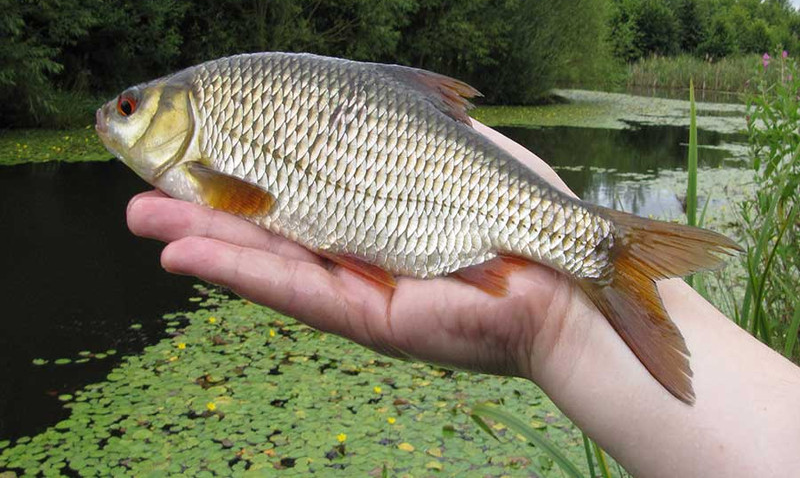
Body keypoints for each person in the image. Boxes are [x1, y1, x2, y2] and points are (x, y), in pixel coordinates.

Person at [126, 121, 800, 477]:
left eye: (129, 110)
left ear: (175, 114)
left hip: (429, 191)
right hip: (391, 206)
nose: (115, 120)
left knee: (588, 247)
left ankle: (601, 253)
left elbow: (244, 198)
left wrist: (555, 319)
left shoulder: (204, 139)